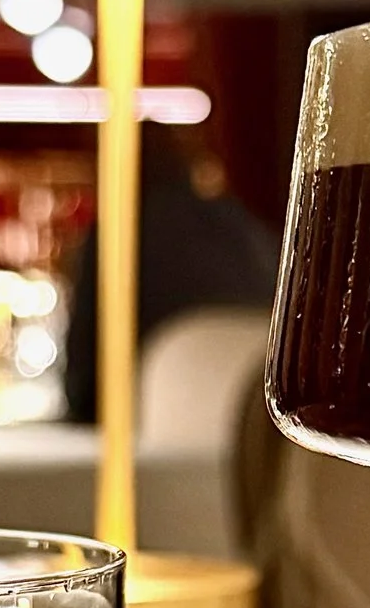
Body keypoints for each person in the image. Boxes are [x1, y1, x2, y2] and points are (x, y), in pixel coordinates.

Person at [62, 122, 277, 424]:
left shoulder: (116, 236)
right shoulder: (239, 225)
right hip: (248, 422)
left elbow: (83, 372)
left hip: (135, 428)